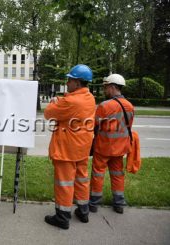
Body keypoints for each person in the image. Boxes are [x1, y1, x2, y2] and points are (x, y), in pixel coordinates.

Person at [44, 64, 96, 230]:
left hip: (67, 148)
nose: (67, 83)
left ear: (78, 83)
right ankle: (83, 212)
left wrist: (54, 102)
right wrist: (62, 100)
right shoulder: (89, 98)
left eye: (70, 80)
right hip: (82, 147)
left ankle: (62, 217)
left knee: (64, 183)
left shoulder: (70, 101)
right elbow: (69, 107)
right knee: (81, 180)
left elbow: (48, 113)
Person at [89, 74, 134, 214]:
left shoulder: (104, 106)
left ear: (113, 87)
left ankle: (94, 203)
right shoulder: (130, 106)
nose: (104, 90)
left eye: (106, 87)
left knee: (98, 174)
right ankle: (119, 203)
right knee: (117, 175)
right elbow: (128, 126)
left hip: (103, 147)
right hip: (120, 149)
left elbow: (94, 125)